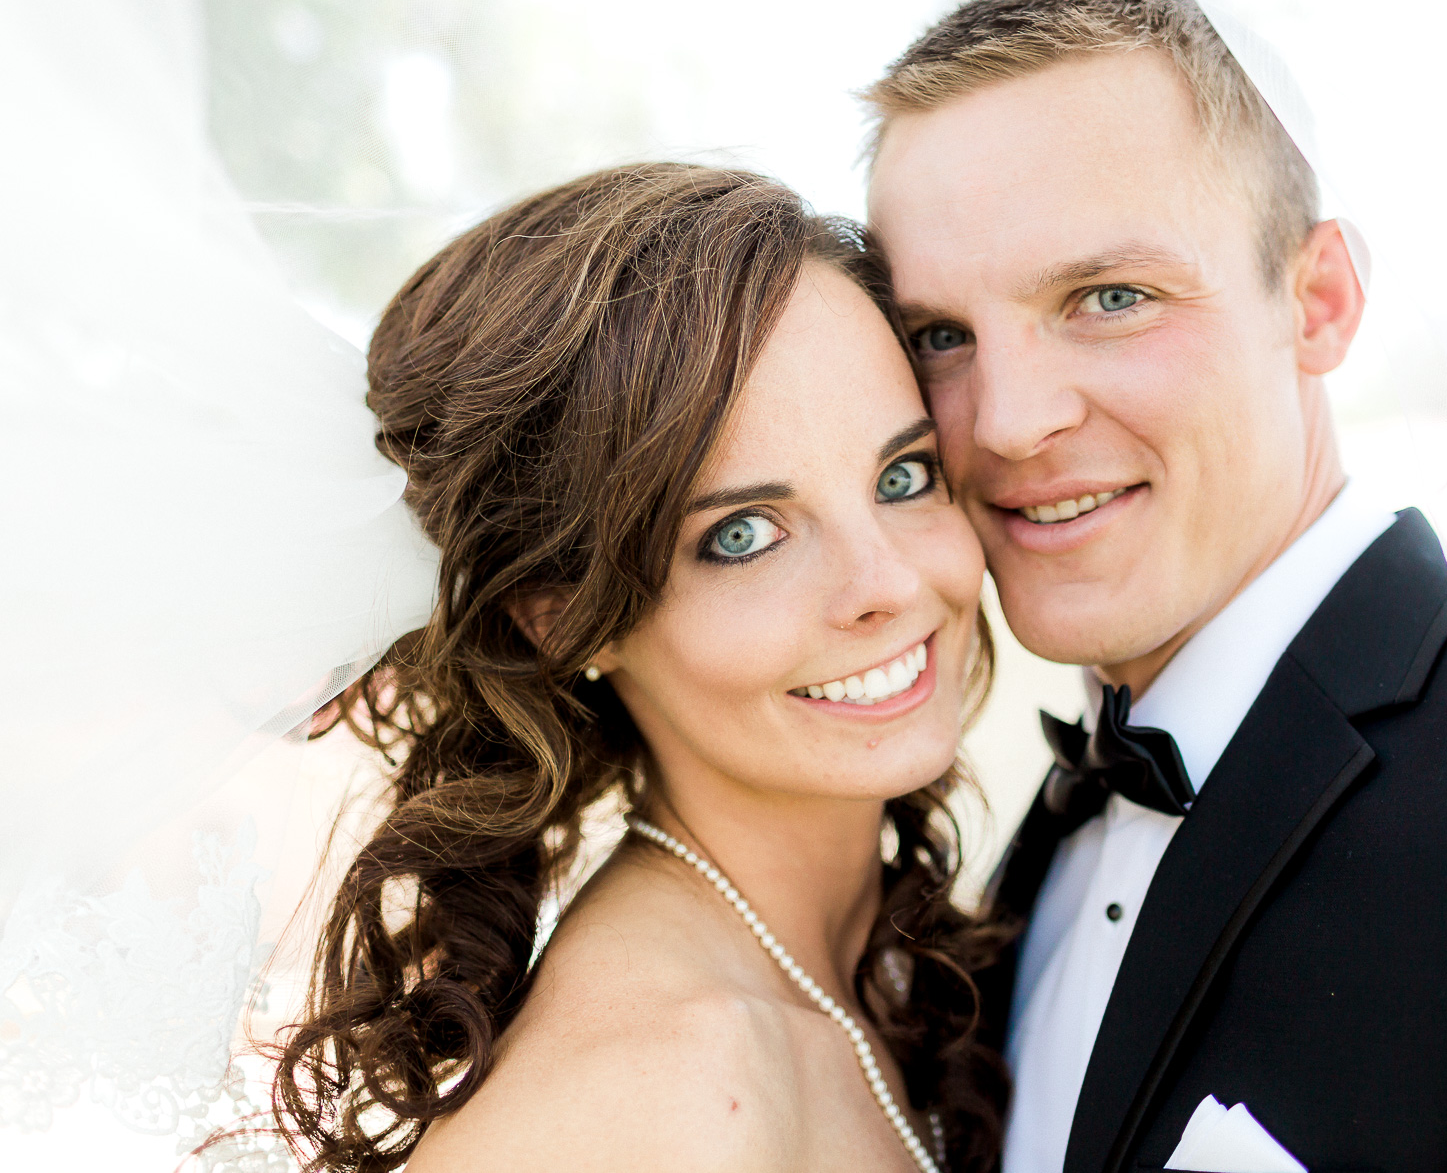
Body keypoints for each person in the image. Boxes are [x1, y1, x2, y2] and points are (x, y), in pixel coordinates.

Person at [863, 0, 1447, 1173]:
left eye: (1110, 298)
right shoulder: (1050, 830)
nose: (1012, 424)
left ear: (1320, 301)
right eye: (940, 336)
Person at [270, 163, 1008, 1173]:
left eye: (903, 475)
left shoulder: (869, 964)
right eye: (746, 532)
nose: (886, 583)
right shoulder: (665, 1088)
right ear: (564, 616)